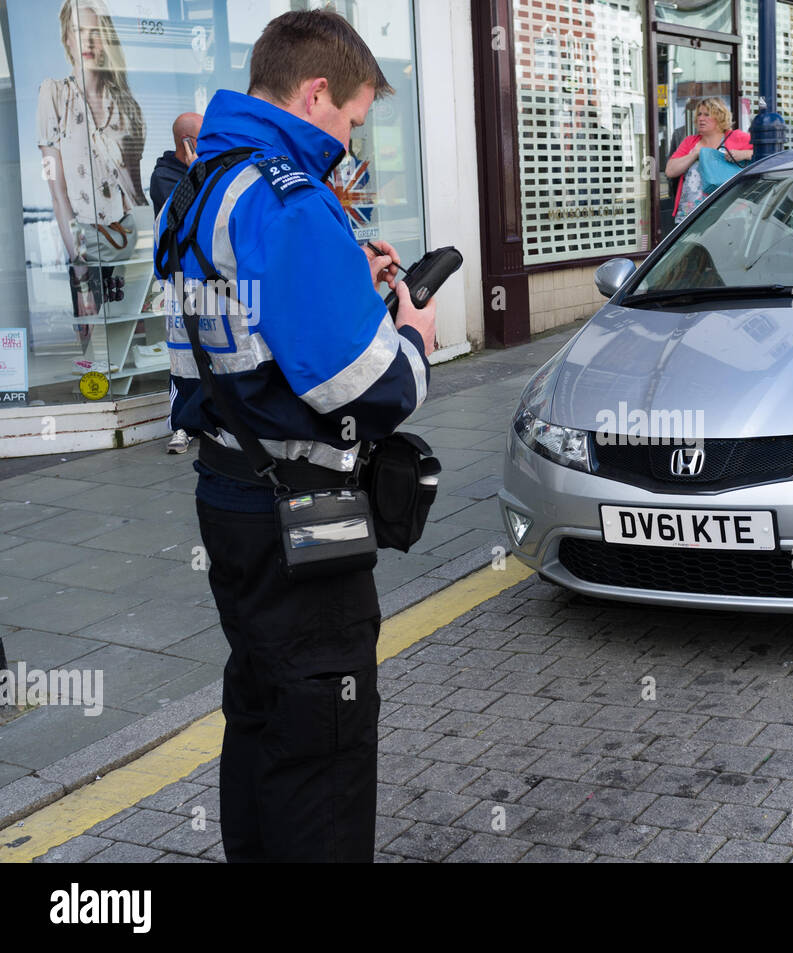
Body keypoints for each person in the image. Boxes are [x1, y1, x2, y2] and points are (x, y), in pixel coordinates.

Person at [155, 9, 438, 863]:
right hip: (299, 514)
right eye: (353, 117)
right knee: (327, 736)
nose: (353, 137)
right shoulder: (288, 194)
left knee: (264, 712)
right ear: (317, 92)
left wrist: (348, 279)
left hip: (230, 496)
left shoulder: (206, 178)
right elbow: (361, 387)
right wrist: (414, 336)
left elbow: (244, 325)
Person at [37, 0, 146, 327]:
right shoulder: (54, 95)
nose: (87, 41)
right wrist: (82, 270)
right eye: (78, 31)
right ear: (66, 39)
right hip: (85, 249)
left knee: (133, 342)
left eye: (96, 32)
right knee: (94, 353)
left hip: (128, 243)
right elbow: (57, 194)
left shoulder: (125, 103)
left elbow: (136, 194)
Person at [151, 112, 203, 455]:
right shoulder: (165, 177)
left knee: (212, 349)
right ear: (188, 142)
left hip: (208, 279)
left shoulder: (204, 171)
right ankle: (182, 424)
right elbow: (186, 215)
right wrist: (197, 167)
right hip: (179, 282)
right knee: (182, 355)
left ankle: (210, 418)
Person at [665, 97, 753, 223]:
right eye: (699, 114)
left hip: (730, 214)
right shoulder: (690, 142)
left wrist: (744, 154)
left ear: (720, 117)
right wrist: (694, 154)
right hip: (691, 216)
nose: (701, 118)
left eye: (707, 114)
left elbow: (766, 155)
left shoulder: (737, 137)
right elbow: (670, 171)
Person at [149, 112, 202, 216]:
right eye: (203, 138)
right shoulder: (163, 176)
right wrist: (196, 173)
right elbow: (187, 214)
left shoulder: (206, 165)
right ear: (186, 141)